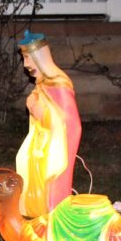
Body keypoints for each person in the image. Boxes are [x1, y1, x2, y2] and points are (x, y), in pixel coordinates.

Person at [16, 30, 82, 218]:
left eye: (28, 58)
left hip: (53, 147)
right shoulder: (43, 83)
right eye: (24, 59)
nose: (26, 64)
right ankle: (35, 208)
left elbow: (70, 122)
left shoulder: (58, 83)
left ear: (40, 57)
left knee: (50, 182)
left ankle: (52, 212)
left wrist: (40, 111)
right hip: (40, 143)